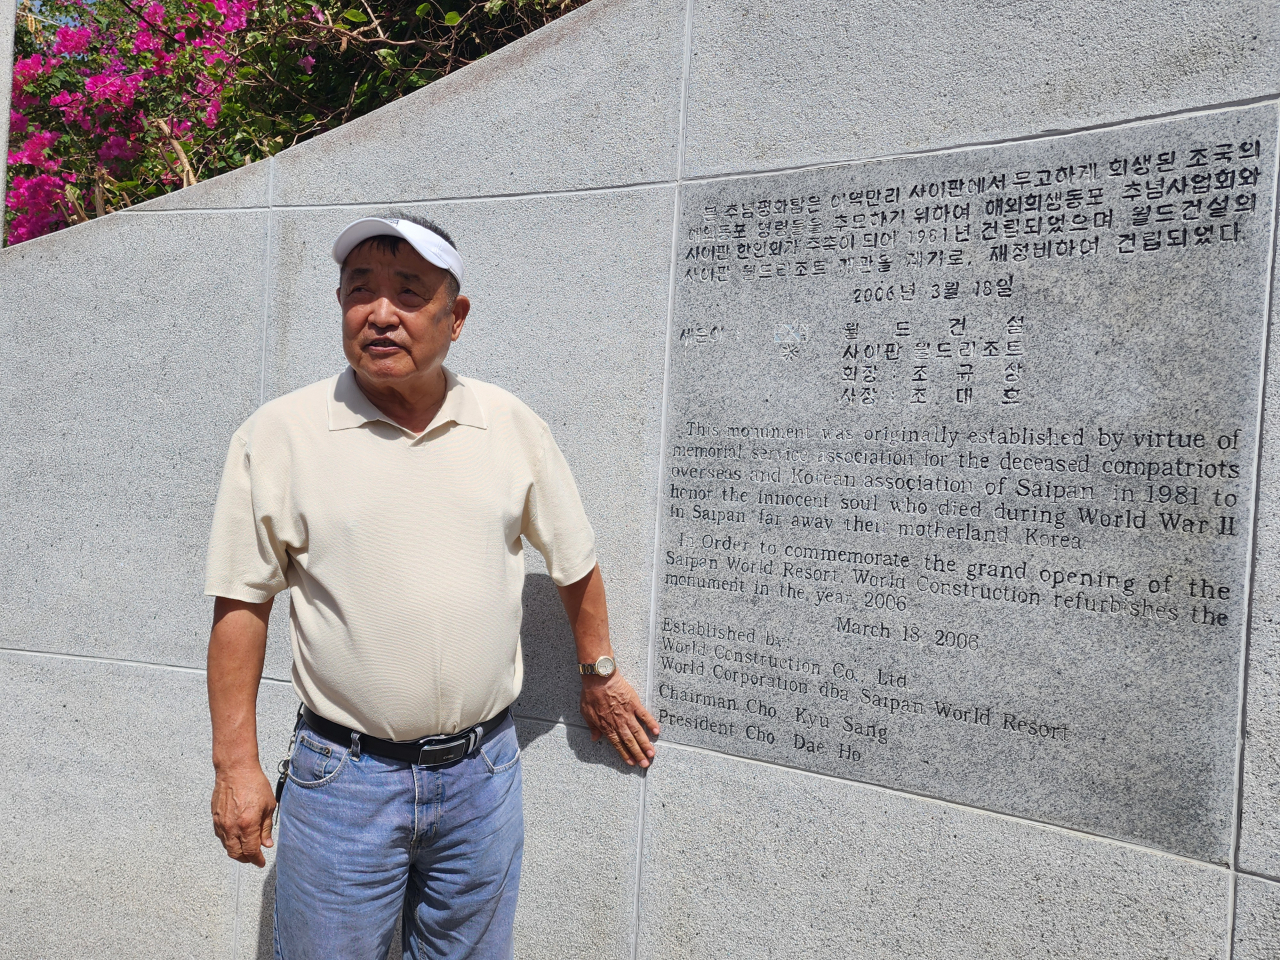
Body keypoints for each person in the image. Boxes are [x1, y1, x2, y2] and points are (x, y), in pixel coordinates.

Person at [203, 214, 659, 960]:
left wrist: (598, 670)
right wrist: (236, 766)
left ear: (456, 317)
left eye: (408, 293)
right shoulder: (279, 435)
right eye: (360, 291)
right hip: (343, 778)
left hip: (483, 775)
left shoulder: (509, 426)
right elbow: (241, 605)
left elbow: (574, 560)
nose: (380, 313)